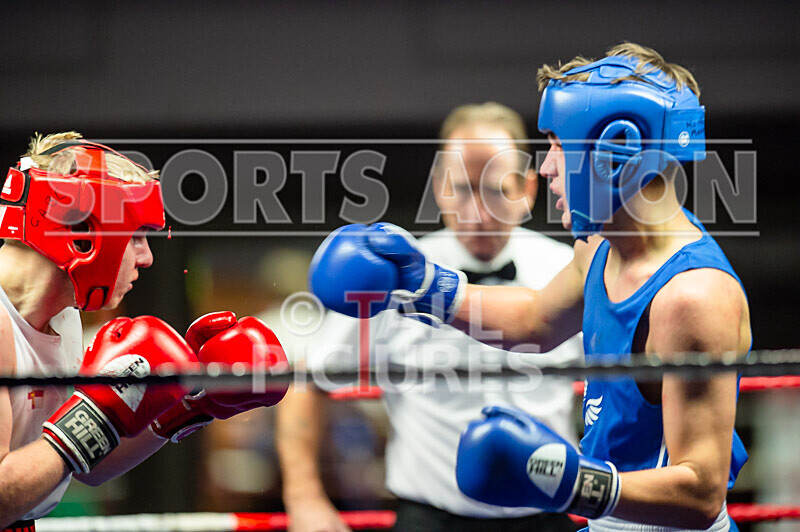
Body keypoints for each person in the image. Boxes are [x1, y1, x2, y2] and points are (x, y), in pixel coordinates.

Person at [308, 44, 751, 531]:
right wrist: (421, 285)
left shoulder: (692, 298)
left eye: (560, 144)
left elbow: (701, 492)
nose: (546, 168)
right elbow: (534, 322)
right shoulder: (599, 250)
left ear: (615, 150)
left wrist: (563, 479)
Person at [278, 103, 582, 532]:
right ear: (440, 188)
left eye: (494, 190)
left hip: (546, 515)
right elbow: (307, 381)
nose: (477, 212)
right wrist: (303, 497)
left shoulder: (568, 272)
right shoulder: (392, 274)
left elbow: (632, 386)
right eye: (462, 189)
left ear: (527, 190)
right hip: (428, 517)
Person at [0, 132, 288, 530]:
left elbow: (82, 470)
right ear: (81, 232)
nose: (146, 257)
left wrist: (188, 403)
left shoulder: (62, 317)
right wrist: (94, 414)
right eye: (135, 236)